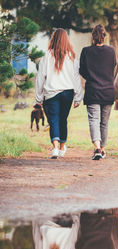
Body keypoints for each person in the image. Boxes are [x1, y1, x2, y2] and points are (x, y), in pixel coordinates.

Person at [35, 28, 83, 159]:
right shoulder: (71, 57)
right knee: (63, 120)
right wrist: (78, 97)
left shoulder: (46, 56)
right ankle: (62, 147)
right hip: (68, 93)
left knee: (54, 120)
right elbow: (76, 78)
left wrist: (38, 97)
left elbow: (40, 77)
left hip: (51, 93)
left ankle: (55, 148)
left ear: (53, 40)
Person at [80, 24, 116, 160]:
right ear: (105, 37)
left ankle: (96, 147)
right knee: (104, 122)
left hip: (92, 91)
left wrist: (91, 76)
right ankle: (102, 149)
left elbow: (82, 71)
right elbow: (112, 66)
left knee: (94, 120)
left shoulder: (86, 51)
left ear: (92, 37)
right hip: (108, 91)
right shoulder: (111, 51)